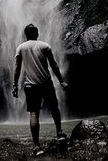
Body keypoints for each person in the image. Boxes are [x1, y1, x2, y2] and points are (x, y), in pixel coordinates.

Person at [12, 24, 69, 152]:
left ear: (26, 35)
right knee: (54, 107)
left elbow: (17, 68)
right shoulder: (45, 46)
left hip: (30, 85)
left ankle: (37, 145)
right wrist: (61, 81)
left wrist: (15, 85)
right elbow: (54, 65)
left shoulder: (20, 48)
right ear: (37, 33)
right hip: (46, 83)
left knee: (33, 113)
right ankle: (59, 132)